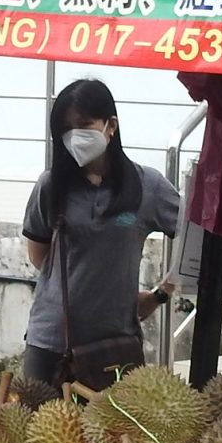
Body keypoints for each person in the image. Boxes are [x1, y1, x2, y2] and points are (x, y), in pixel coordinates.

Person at [19, 78, 180, 388]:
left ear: (111, 125)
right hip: (52, 341)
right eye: (66, 130)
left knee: (115, 434)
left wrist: (161, 293)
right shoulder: (51, 186)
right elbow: (39, 256)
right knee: (40, 431)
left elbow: (193, 236)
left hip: (116, 342)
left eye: (83, 124)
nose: (74, 137)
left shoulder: (148, 186)